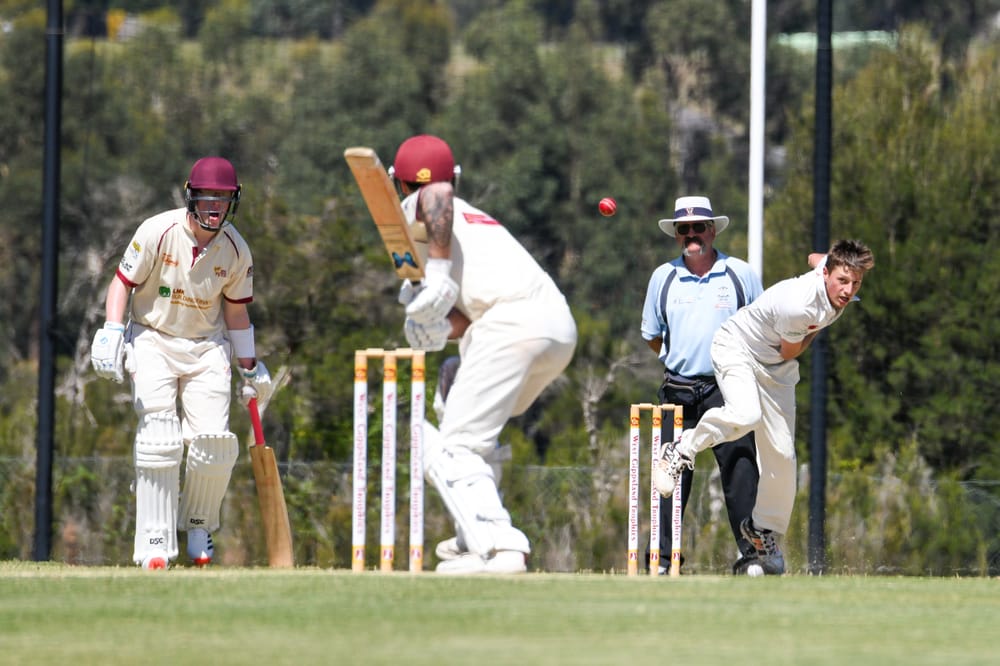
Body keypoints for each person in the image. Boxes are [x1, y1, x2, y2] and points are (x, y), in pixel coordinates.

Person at [390, 134, 577, 574]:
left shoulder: (423, 205)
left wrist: (436, 274)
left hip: (510, 324)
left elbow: (433, 192)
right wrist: (432, 326)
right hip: (555, 329)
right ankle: (471, 534)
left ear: (400, 184)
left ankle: (500, 546)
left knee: (455, 445)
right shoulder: (473, 222)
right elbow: (462, 317)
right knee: (454, 390)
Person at [90, 157, 273, 570]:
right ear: (191, 197)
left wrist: (250, 366)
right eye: (207, 197)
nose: (215, 206)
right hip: (153, 337)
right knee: (159, 435)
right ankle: (154, 539)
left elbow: (236, 312)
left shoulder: (236, 250)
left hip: (206, 348)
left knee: (214, 444)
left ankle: (198, 525)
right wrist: (112, 330)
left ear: (233, 201)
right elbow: (122, 283)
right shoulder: (158, 231)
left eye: (223, 198)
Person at [655, 239, 875, 574]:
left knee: (783, 455)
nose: (848, 290)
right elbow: (791, 350)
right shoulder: (799, 308)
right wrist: (818, 328)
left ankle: (761, 531)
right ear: (827, 275)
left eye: (855, 283)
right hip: (738, 347)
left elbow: (813, 256)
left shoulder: (828, 271)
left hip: (774, 367)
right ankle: (681, 448)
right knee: (746, 415)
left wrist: (830, 264)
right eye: (842, 281)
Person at [640, 195, 764, 574]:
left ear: (712, 230)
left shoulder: (739, 274)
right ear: (677, 234)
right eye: (685, 229)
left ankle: (753, 556)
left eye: (698, 227)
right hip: (677, 390)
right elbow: (652, 335)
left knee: (741, 473)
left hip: (726, 390)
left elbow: (761, 327)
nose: (692, 235)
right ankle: (663, 560)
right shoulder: (663, 277)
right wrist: (678, 358)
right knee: (669, 477)